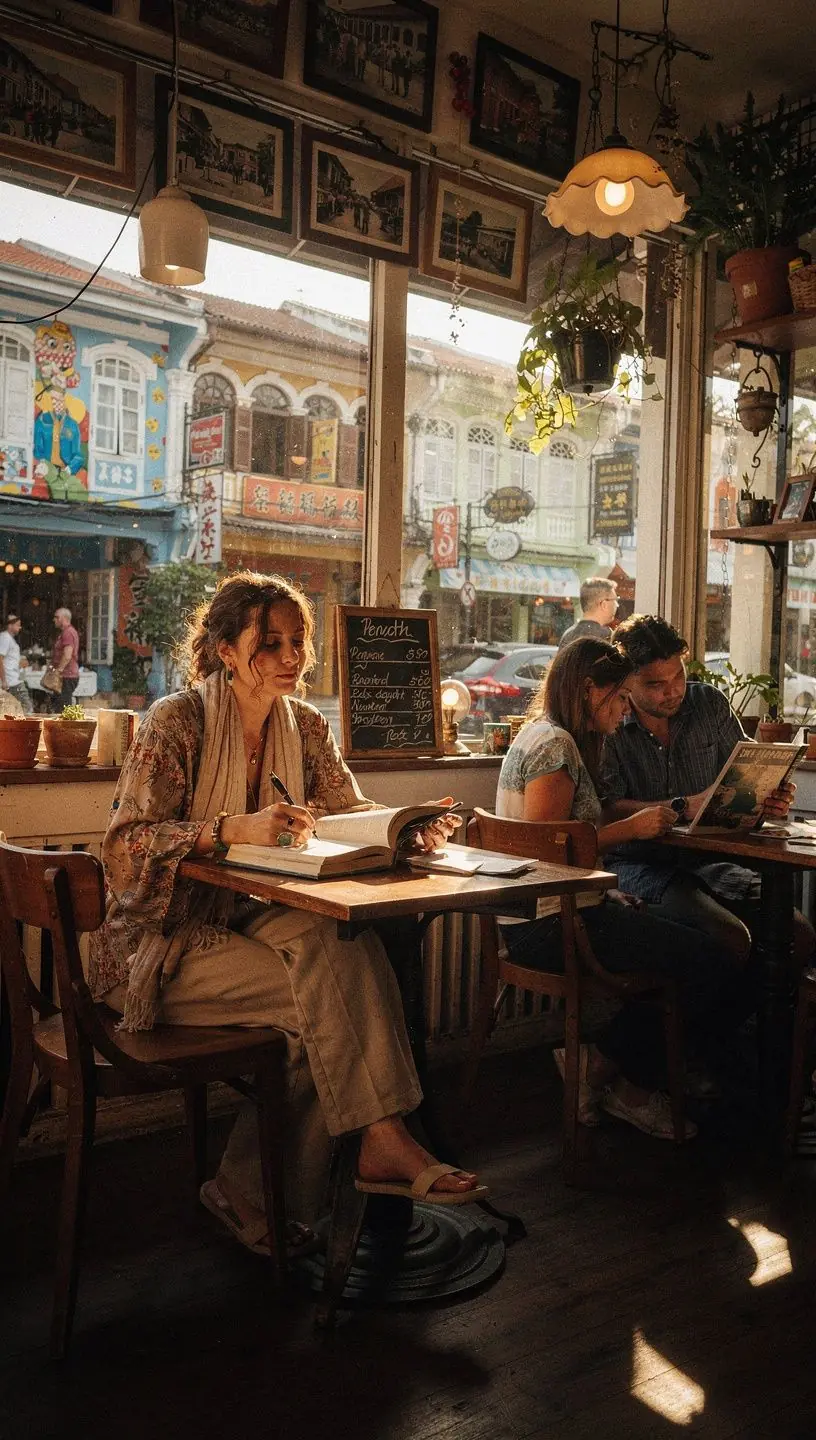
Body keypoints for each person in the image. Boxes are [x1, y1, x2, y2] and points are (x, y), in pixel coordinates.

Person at [89, 571, 483, 1260]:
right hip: (155, 944)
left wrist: (405, 830)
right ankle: (352, 1151)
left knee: (348, 955)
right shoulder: (175, 721)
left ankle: (287, 1178)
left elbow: (348, 811)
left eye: (297, 641)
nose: (291, 656)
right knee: (325, 1006)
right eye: (269, 643)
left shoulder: (303, 724)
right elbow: (123, 850)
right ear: (227, 651)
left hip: (247, 914)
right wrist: (225, 830)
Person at [496, 637, 744, 1140]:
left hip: (549, 913)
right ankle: (626, 1083)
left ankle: (599, 1064)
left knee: (683, 940)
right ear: (590, 691)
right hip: (549, 923)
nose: (626, 710)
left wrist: (607, 893)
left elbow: (560, 849)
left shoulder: (542, 735)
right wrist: (630, 831)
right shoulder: (555, 746)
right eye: (620, 699)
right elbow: (550, 853)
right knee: (708, 956)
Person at [601, 614, 812, 968]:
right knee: (729, 936)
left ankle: (737, 1021)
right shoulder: (611, 722)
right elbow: (605, 810)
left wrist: (766, 798)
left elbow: (745, 772)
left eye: (678, 676)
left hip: (711, 861)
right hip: (638, 864)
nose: (672, 691)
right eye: (655, 684)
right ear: (627, 682)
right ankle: (707, 1020)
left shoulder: (708, 704)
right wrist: (684, 806)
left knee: (800, 936)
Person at [558, 577, 619, 649]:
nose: (617, 605)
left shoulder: (568, 635)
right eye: (615, 600)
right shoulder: (606, 636)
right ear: (604, 605)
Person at [48, 606, 80, 712]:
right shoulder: (66, 632)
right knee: (60, 706)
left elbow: (67, 655)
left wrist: (58, 671)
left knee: (63, 708)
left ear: (64, 618)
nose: (54, 620)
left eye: (57, 617)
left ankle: (65, 728)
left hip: (67, 675)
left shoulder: (68, 633)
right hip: (66, 675)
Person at [0, 614, 32, 713]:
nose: (20, 627)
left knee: (15, 709)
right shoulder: (5, 637)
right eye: (18, 625)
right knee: (26, 707)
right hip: (11, 681)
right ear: (10, 625)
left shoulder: (9, 638)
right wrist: (4, 680)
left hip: (13, 679)